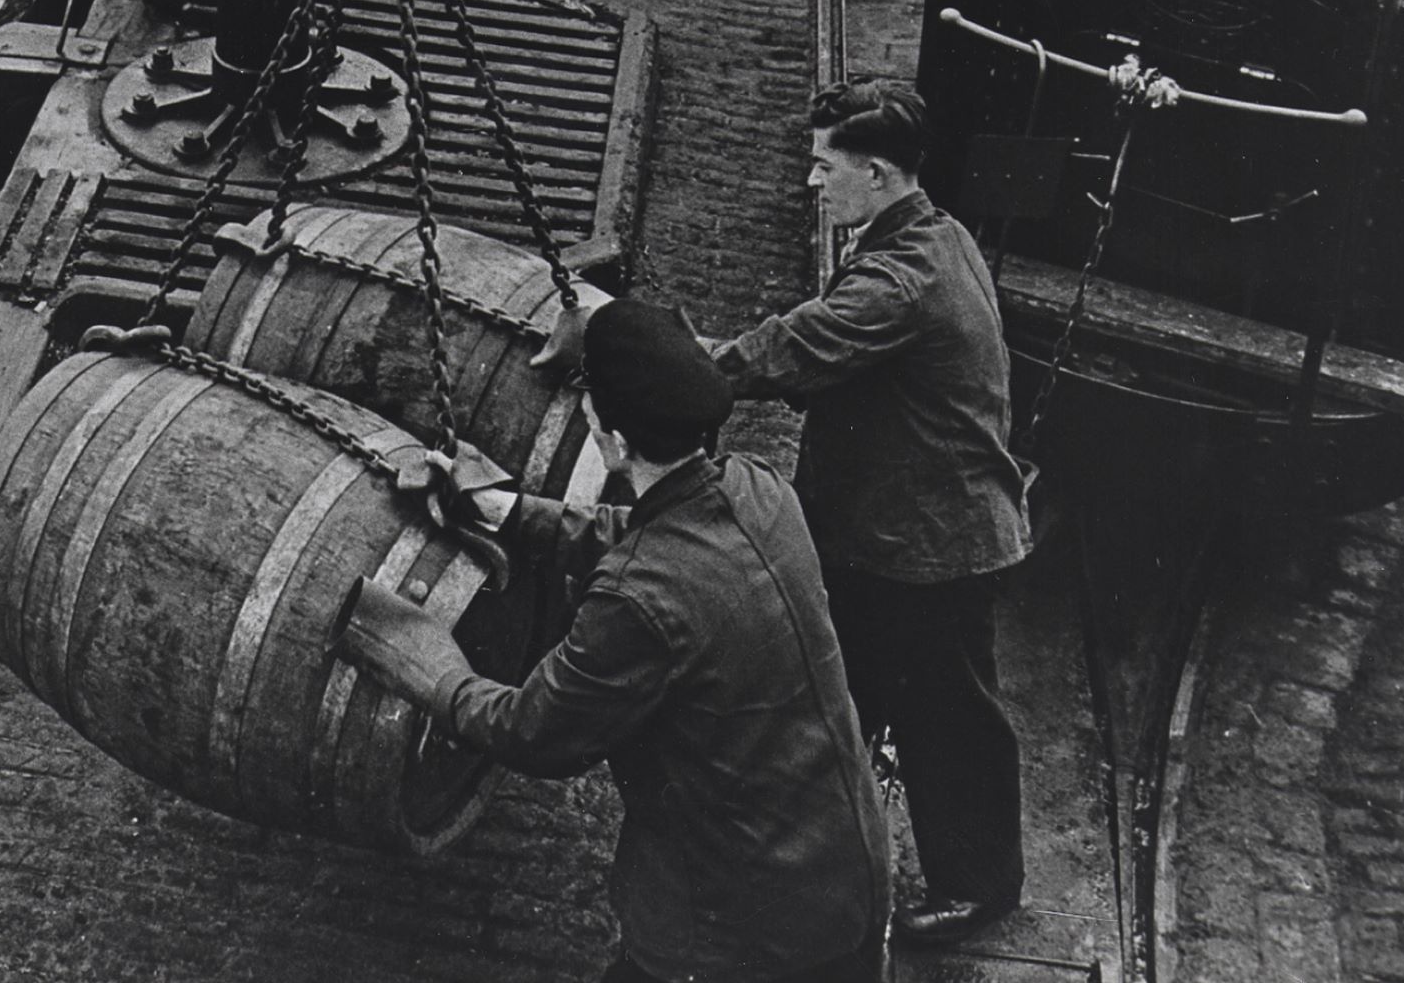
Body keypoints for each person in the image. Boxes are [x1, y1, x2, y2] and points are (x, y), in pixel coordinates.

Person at [344, 300, 890, 983]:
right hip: (845, 869)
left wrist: (424, 664)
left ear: (613, 440)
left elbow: (534, 732)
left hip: (737, 925)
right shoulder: (760, 489)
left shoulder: (635, 601)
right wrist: (503, 508)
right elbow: (643, 533)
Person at [710, 75, 1030, 947]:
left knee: (948, 717)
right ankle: (820, 851)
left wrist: (661, 360)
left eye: (826, 167)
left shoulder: (902, 278)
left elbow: (791, 348)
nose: (813, 184)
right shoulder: (932, 230)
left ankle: (979, 888)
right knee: (853, 690)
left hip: (930, 544)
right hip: (896, 527)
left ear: (880, 173)